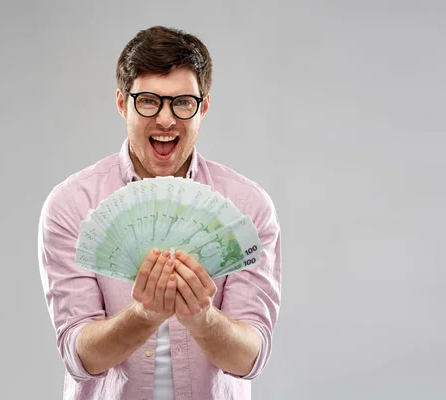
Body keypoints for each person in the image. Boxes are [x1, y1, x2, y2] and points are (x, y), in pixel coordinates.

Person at [38, 25, 282, 400]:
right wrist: (144, 315)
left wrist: (201, 318)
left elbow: (251, 357)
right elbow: (78, 354)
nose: (166, 120)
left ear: (204, 106)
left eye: (182, 102)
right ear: (122, 103)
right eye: (149, 101)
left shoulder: (248, 207)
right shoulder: (71, 205)